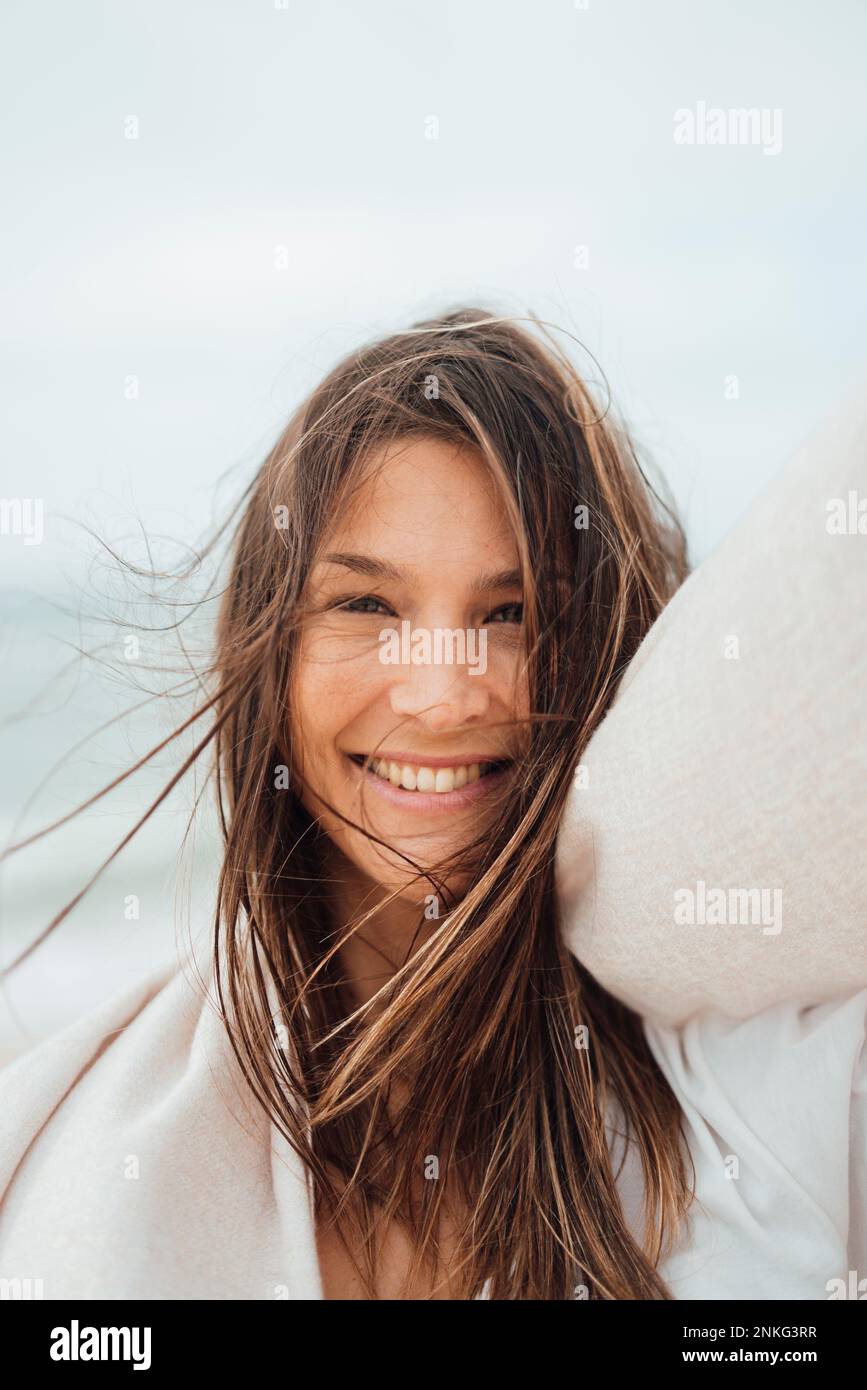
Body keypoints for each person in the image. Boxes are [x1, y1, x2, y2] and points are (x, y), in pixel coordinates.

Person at [0, 309, 864, 1301]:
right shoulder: (57, 1140)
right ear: (268, 649)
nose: (444, 694)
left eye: (514, 614)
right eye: (368, 605)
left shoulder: (757, 1088)